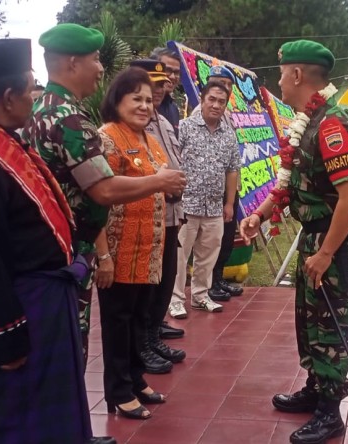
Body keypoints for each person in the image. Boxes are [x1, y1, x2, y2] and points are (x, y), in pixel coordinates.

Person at [0, 38, 116, 444]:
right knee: (18, 421)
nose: (36, 98)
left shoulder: (0, 139)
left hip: (43, 301)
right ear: (7, 96)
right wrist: (5, 335)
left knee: (52, 419)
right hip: (18, 309)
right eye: (31, 90)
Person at [23, 24, 186, 365]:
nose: (100, 68)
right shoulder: (67, 118)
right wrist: (159, 182)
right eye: (95, 59)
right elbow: (104, 189)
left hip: (50, 246)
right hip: (69, 248)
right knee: (68, 346)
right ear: (72, 63)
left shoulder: (42, 109)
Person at [239, 40, 348, 444]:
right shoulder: (308, 123)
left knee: (329, 323)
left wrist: (327, 253)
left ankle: (330, 413)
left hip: (335, 244)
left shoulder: (332, 125)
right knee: (309, 322)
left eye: (281, 73)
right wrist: (260, 214)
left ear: (297, 75)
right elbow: (293, 183)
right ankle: (316, 389)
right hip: (316, 240)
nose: (278, 81)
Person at [94, 67, 173, 419]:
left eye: (147, 99)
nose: (144, 106)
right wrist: (104, 256)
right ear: (117, 100)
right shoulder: (106, 138)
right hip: (118, 248)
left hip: (148, 250)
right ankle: (118, 390)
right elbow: (99, 198)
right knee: (118, 321)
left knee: (141, 318)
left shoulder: (151, 140)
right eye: (135, 99)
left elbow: (161, 185)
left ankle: (136, 378)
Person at [134, 59, 187, 369]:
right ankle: (141, 344)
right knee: (148, 286)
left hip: (171, 214)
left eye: (159, 85)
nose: (157, 91)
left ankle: (153, 336)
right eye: (149, 86)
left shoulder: (165, 122)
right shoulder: (134, 126)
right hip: (147, 217)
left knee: (166, 279)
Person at [170, 82, 240, 317]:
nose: (216, 105)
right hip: (186, 206)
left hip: (214, 208)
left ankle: (200, 295)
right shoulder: (185, 128)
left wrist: (229, 203)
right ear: (202, 99)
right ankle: (176, 299)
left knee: (208, 255)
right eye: (212, 99)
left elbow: (232, 170)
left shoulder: (228, 135)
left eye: (221, 101)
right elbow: (172, 162)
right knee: (180, 256)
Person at [201, 64, 246, 300]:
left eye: (228, 86)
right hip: (209, 191)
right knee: (211, 240)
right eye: (218, 83)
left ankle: (218, 278)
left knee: (227, 237)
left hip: (229, 188)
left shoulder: (227, 115)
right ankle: (208, 284)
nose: (223, 90)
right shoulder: (197, 115)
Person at [149, 46, 183, 131]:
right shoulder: (143, 105)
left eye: (176, 72)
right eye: (167, 70)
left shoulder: (173, 108)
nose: (172, 76)